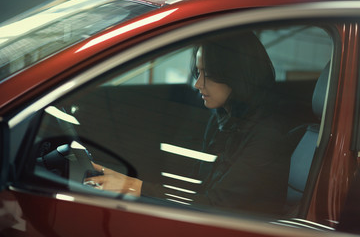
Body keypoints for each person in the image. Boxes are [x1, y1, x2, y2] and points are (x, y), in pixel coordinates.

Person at [86, 31, 297, 215]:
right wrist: (126, 182)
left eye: (210, 74)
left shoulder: (267, 135)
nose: (198, 84)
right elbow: (196, 189)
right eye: (198, 72)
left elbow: (214, 205)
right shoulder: (224, 118)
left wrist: (135, 187)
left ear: (237, 75)